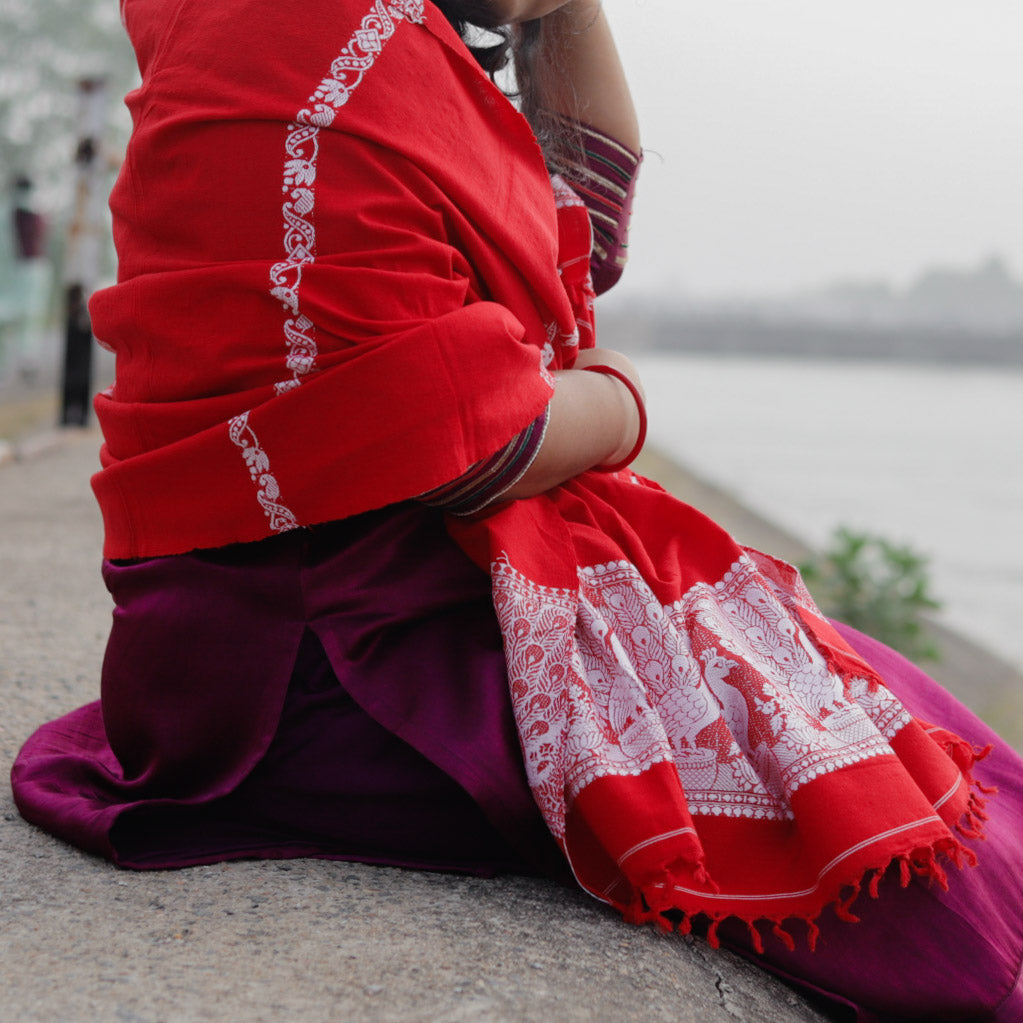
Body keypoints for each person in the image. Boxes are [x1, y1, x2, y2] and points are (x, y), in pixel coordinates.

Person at [11, 1, 1023, 1018]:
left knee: (870, 704)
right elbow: (475, 455)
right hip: (328, 674)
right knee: (875, 850)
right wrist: (621, 401)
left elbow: (586, 234)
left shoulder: (374, 45)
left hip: (361, 609)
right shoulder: (318, 50)